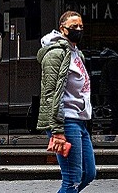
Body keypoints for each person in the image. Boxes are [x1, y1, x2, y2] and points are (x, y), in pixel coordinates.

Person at [37, 11, 96, 193]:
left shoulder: (77, 54)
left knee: (88, 173)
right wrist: (57, 130)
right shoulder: (55, 54)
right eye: (73, 26)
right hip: (66, 123)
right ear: (63, 29)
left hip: (80, 122)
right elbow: (50, 93)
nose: (78, 29)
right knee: (72, 180)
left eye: (81, 26)